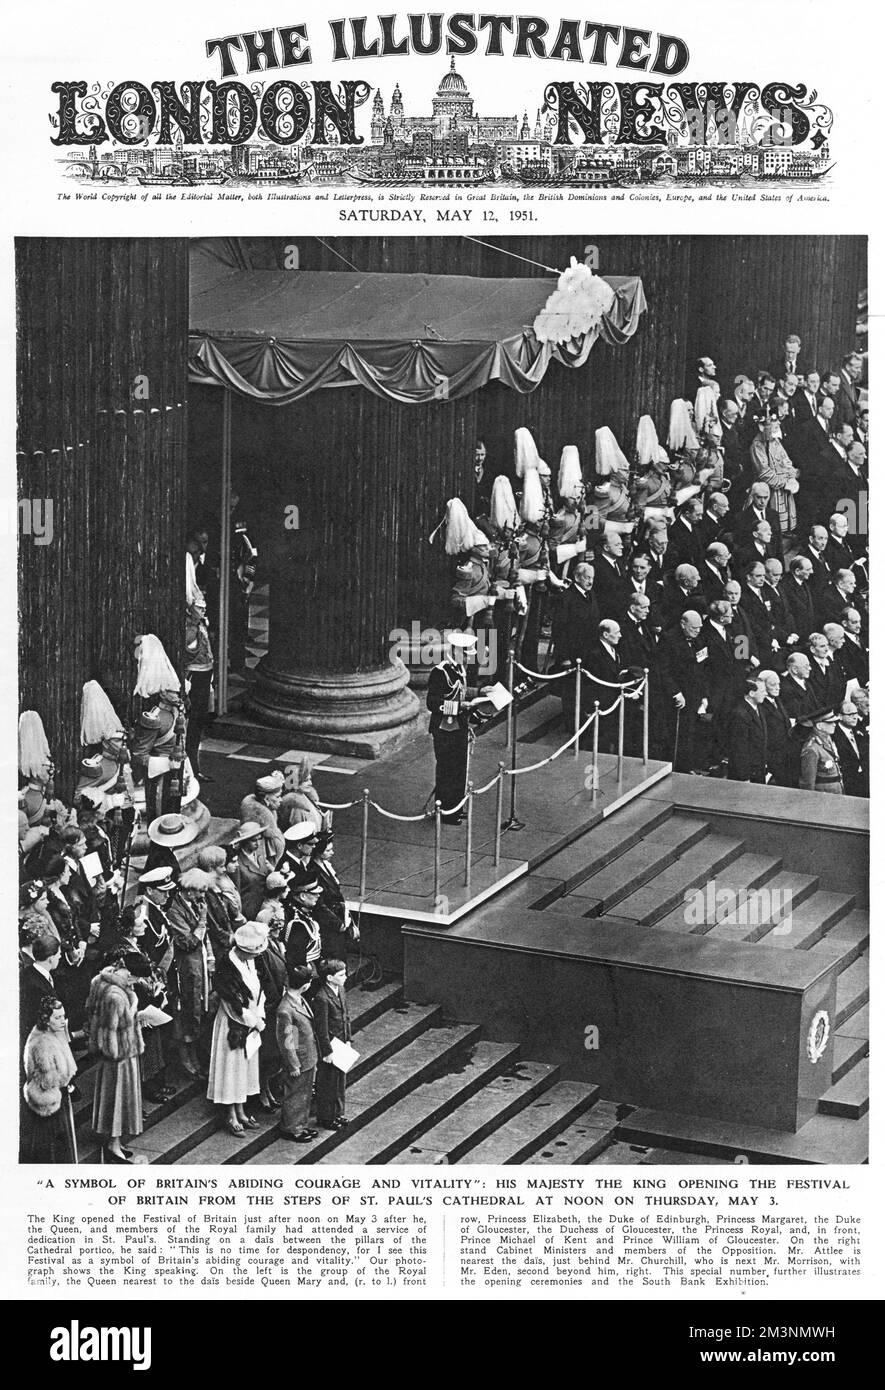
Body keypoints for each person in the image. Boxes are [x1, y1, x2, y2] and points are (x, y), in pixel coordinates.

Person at [207, 922, 268, 1137]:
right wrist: (254, 1021)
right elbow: (231, 1004)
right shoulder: (226, 966)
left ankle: (241, 1110)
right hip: (233, 1024)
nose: (257, 955)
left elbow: (260, 990)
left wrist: (259, 1014)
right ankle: (231, 1114)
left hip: (251, 1021)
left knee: (244, 1070)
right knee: (231, 1070)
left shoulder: (251, 962)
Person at [84, 954, 145, 1163]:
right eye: (136, 978)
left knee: (114, 1098)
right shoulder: (116, 995)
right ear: (130, 974)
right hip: (119, 1052)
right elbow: (117, 1025)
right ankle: (113, 1144)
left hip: (112, 1052)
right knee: (118, 1099)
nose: (136, 983)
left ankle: (116, 1142)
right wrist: (135, 1007)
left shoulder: (101, 981)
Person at [426, 631, 488, 825]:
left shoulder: (459, 669)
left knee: (460, 769)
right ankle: (446, 812)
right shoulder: (440, 672)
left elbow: (461, 690)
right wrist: (459, 707)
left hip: (458, 726)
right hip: (444, 729)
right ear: (455, 651)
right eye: (466, 654)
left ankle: (456, 807)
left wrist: (479, 692)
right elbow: (433, 703)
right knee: (447, 770)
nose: (468, 659)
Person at [167, 868, 213, 1078]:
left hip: (199, 964)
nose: (203, 895)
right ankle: (185, 1057)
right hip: (186, 968)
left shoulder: (195, 904)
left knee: (199, 1007)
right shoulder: (175, 910)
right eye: (200, 891)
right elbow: (187, 942)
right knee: (187, 1009)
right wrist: (202, 921)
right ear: (189, 890)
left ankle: (194, 1052)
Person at [21, 994, 79, 1164]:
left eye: (63, 1016)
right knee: (55, 1153)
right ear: (46, 1020)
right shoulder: (43, 1044)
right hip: (50, 1105)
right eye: (57, 1017)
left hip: (59, 1099)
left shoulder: (54, 1034)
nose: (63, 1021)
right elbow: (47, 1082)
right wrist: (67, 1085)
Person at [275, 964, 319, 1144]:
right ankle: (291, 1128)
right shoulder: (286, 1009)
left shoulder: (297, 1000)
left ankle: (301, 1124)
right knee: (295, 1094)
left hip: (308, 1055)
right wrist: (293, 1064)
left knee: (305, 1093)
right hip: (299, 1059)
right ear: (305, 985)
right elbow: (287, 1041)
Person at [312, 959, 352, 1132]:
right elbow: (321, 1028)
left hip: (341, 1043)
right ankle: (326, 1117)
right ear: (329, 977)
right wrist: (326, 1051)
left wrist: (348, 1039)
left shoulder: (340, 990)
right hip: (331, 1046)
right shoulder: (322, 998)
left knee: (339, 1082)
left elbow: (346, 1016)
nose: (345, 977)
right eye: (341, 975)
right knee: (328, 1084)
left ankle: (337, 1113)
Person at [184, 596, 215, 781]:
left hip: (205, 676)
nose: (204, 610)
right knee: (191, 724)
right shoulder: (189, 629)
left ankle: (194, 768)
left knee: (198, 724)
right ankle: (191, 770)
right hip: (194, 679)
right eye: (199, 607)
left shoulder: (201, 623)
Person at [229, 821, 276, 919]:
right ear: (244, 841)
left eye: (260, 839)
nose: (258, 843)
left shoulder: (260, 855)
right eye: (254, 840)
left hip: (266, 906)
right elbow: (236, 893)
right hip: (250, 910)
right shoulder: (237, 862)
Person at [239, 770, 286, 864]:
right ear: (266, 799)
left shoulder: (267, 811)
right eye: (277, 797)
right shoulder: (262, 818)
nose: (281, 800)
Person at [728, 675, 769, 783]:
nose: (766, 694)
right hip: (746, 775)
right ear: (752, 693)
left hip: (758, 770)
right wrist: (744, 777)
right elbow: (739, 749)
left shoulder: (759, 709)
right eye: (763, 691)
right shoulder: (740, 715)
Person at [798, 709, 843, 794]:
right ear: (819, 726)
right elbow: (808, 784)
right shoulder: (811, 748)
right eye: (830, 722)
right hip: (823, 797)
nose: (834, 724)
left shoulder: (828, 741)